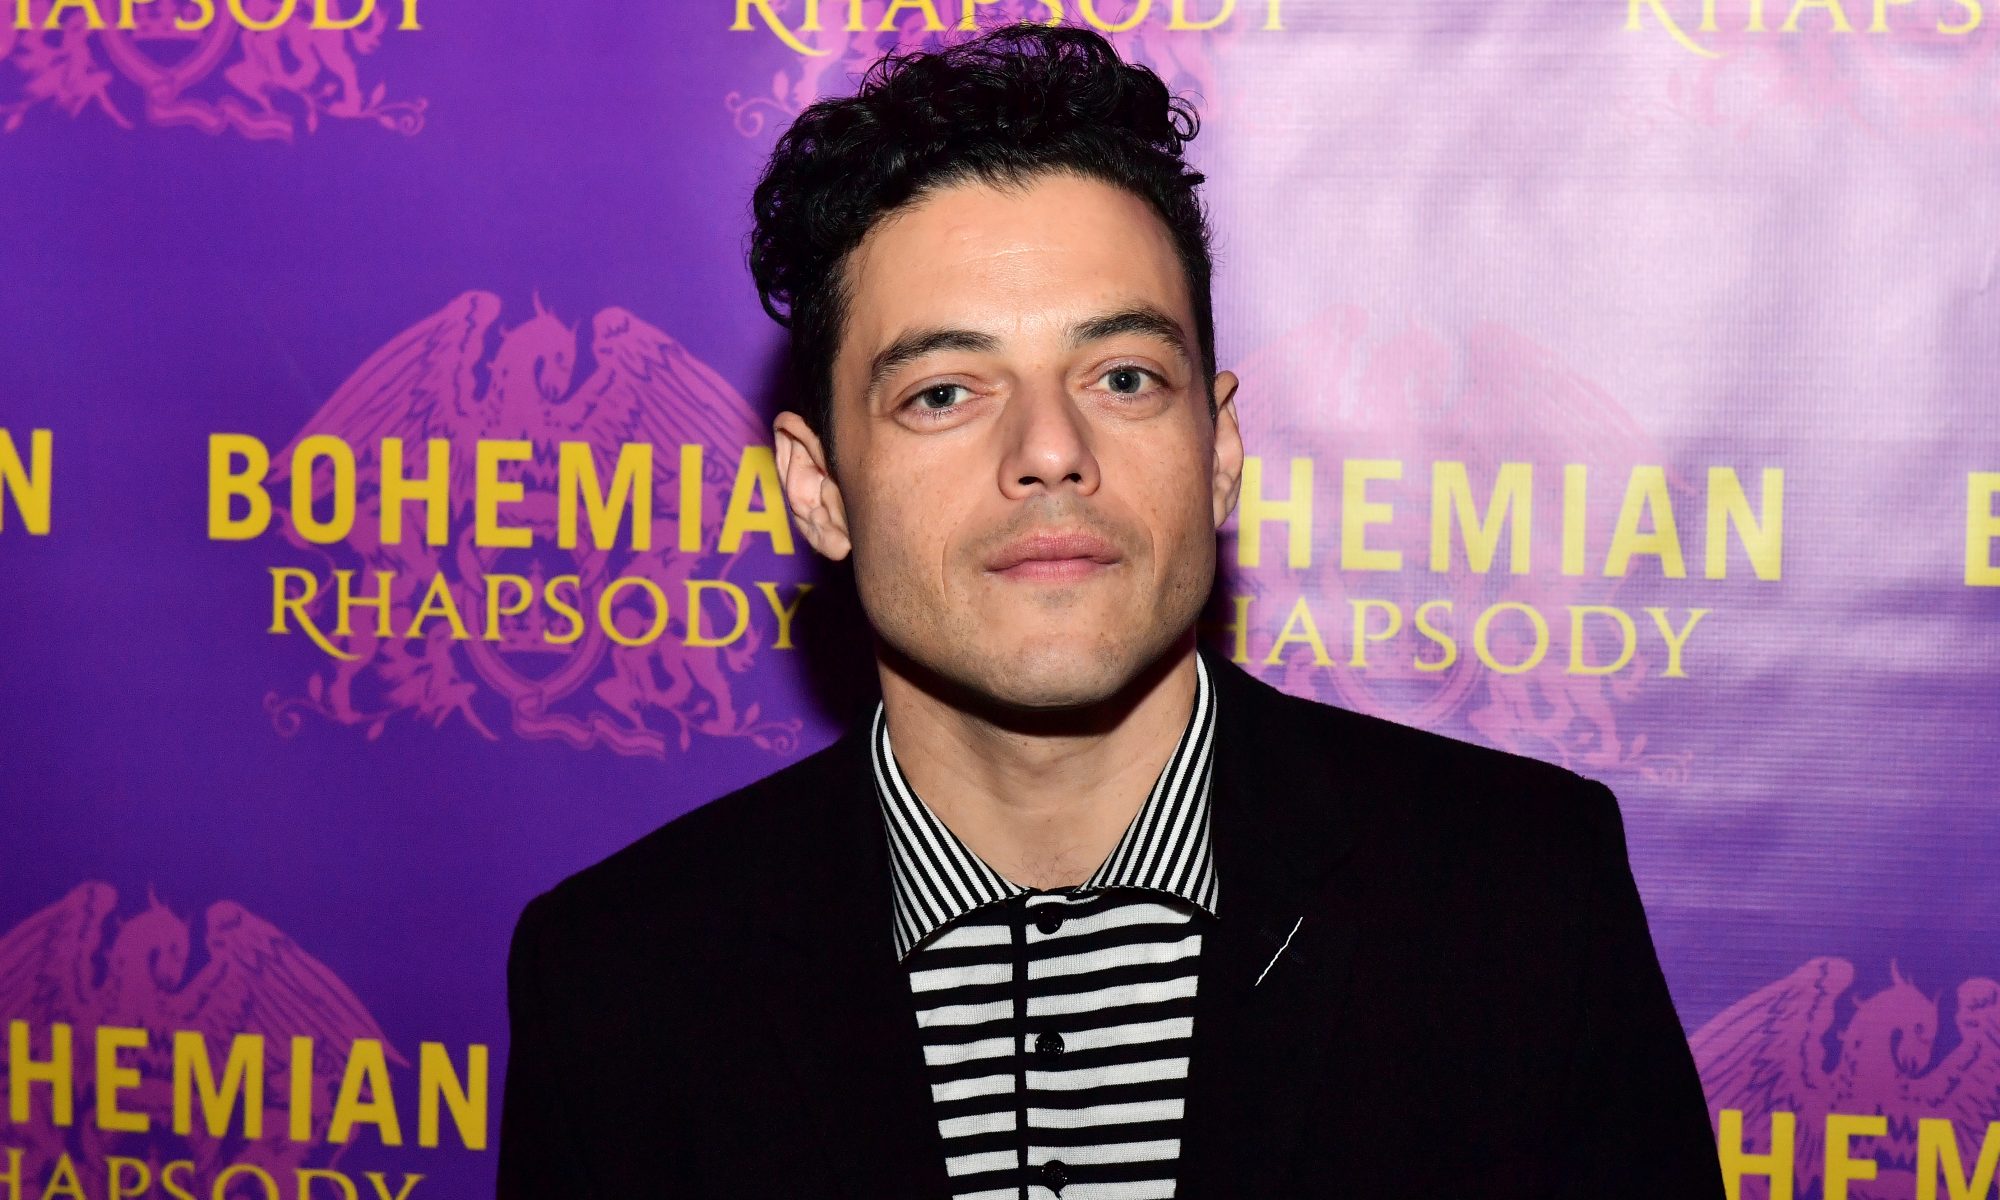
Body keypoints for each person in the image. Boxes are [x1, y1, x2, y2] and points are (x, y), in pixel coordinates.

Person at [496, 22, 1724, 1199]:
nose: (1049, 450)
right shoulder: (621, 980)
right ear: (818, 490)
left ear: (1217, 449)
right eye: (943, 392)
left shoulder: (1516, 901)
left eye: (1122, 376)